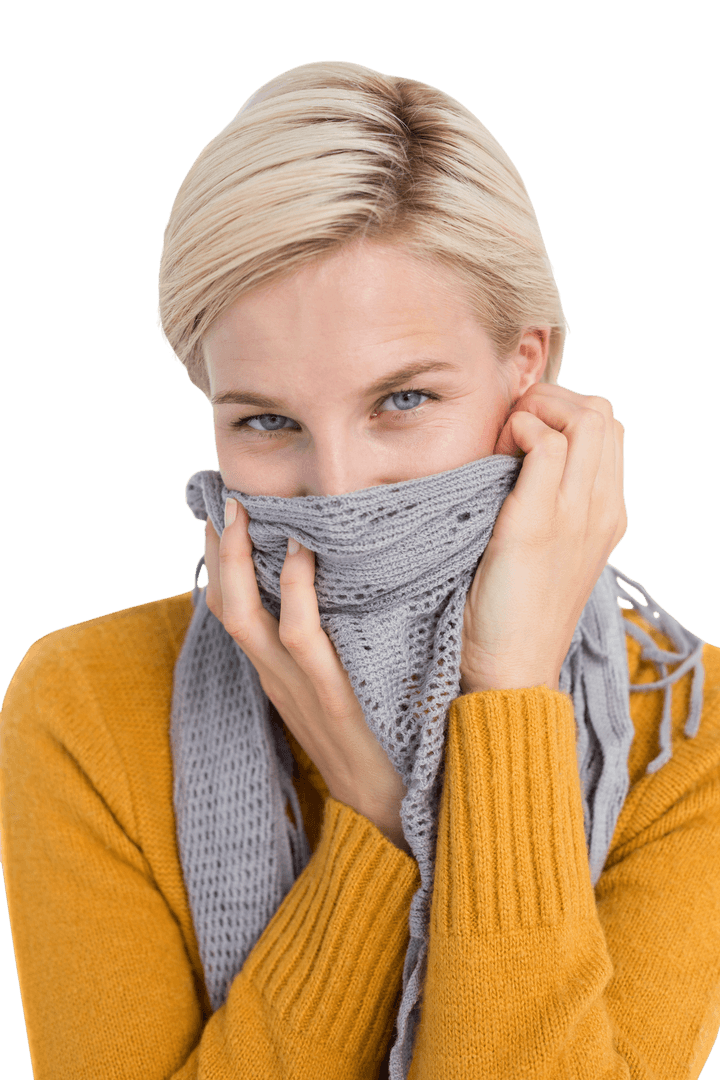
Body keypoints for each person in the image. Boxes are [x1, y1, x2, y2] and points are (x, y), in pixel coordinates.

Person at [1, 59, 719, 1080]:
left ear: (531, 368)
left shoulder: (685, 738)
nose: (338, 493)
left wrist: (507, 694)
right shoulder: (84, 705)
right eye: (267, 420)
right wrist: (374, 826)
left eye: (404, 400)